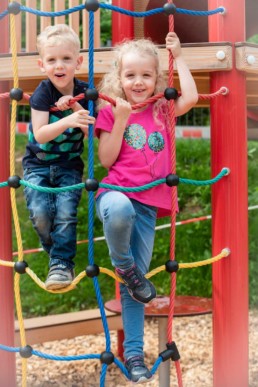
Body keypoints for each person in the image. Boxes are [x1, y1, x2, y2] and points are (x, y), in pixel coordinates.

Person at [94, 32, 198, 384]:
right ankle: (123, 264)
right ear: (118, 79)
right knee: (121, 211)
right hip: (116, 196)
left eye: (146, 75)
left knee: (134, 288)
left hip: (150, 204)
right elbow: (106, 160)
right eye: (130, 75)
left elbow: (193, 96)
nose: (138, 82)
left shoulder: (162, 108)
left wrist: (178, 59)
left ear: (156, 79)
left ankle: (135, 354)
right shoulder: (109, 111)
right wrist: (122, 117)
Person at [22, 24, 95, 290]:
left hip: (69, 166)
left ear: (78, 61)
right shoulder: (43, 93)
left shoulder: (86, 93)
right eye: (52, 60)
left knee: (65, 213)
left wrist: (75, 106)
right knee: (40, 214)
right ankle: (55, 252)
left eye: (66, 59)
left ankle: (62, 264)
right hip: (37, 164)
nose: (59, 65)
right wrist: (68, 121)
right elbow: (40, 134)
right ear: (43, 65)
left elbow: (92, 133)